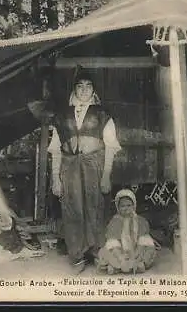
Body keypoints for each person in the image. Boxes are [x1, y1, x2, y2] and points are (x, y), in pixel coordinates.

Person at [48, 69, 122, 273]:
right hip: (69, 166)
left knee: (95, 206)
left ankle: (97, 252)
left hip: (94, 166)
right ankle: (77, 256)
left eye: (88, 86)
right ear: (74, 89)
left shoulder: (103, 114)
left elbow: (111, 147)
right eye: (80, 86)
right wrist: (56, 179)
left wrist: (106, 174)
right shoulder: (61, 116)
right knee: (72, 209)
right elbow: (55, 150)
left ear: (93, 90)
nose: (84, 90)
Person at [97, 189, 157, 275]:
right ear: (118, 207)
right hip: (120, 252)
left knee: (150, 247)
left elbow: (142, 240)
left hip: (136, 250)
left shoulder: (140, 220)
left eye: (129, 205)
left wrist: (136, 255)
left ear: (134, 206)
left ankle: (140, 263)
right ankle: (117, 266)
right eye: (122, 206)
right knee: (105, 251)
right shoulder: (115, 221)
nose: (126, 208)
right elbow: (113, 242)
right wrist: (121, 257)